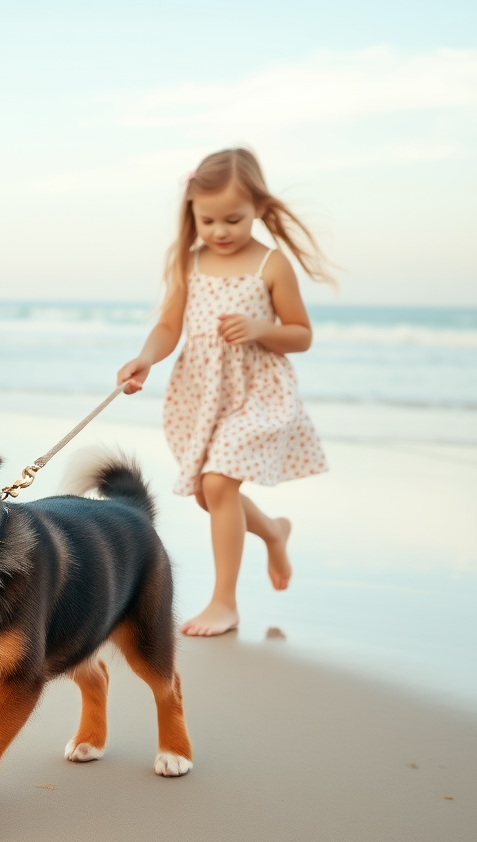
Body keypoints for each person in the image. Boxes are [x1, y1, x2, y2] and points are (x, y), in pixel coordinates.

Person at [117, 147, 333, 637]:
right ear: (192, 214)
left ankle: (224, 602)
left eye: (233, 219)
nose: (220, 231)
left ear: (258, 207)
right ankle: (274, 531)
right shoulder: (189, 261)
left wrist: (260, 328)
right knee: (209, 494)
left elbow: (301, 334)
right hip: (202, 393)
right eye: (207, 219)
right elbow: (169, 326)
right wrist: (146, 358)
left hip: (258, 391)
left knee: (217, 484)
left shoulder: (271, 265)